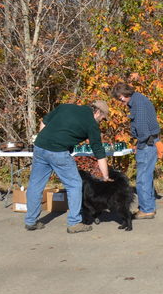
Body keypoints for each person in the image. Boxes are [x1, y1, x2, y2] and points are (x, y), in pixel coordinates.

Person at [24, 100, 111, 234]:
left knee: (35, 185)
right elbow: (99, 152)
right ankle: (74, 223)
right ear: (98, 112)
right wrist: (105, 176)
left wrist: (45, 142)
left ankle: (31, 221)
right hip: (58, 152)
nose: (101, 121)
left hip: (40, 147)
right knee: (74, 185)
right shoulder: (91, 124)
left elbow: (44, 122)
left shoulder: (66, 107)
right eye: (103, 118)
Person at [111, 82, 160, 220]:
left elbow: (143, 129)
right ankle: (148, 206)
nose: (121, 101)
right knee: (147, 177)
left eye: (120, 98)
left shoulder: (138, 103)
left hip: (146, 144)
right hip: (149, 142)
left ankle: (146, 210)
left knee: (142, 179)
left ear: (124, 94)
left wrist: (139, 145)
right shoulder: (138, 100)